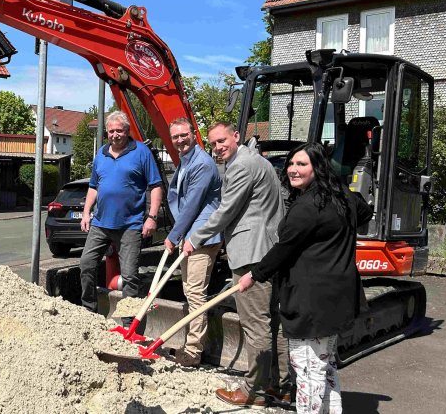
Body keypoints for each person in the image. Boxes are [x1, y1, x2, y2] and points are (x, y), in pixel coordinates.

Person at [238, 142, 371, 414]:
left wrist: (254, 274)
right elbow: (365, 211)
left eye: (301, 164)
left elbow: (283, 249)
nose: (292, 170)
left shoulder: (307, 207)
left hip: (312, 302)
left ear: (317, 167)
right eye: (291, 164)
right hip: (339, 296)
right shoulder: (343, 196)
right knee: (325, 365)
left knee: (308, 371)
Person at [183, 122, 289, 408]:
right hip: (269, 249)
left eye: (222, 140)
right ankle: (281, 386)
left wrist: (195, 238)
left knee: (256, 325)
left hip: (252, 254)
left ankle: (253, 391)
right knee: (273, 323)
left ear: (236, 136)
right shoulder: (260, 162)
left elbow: (226, 210)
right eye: (213, 143)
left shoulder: (242, 165)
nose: (218, 147)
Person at [79, 111, 162, 317]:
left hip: (130, 225)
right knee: (86, 265)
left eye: (119, 130)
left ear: (127, 131)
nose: (115, 134)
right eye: (111, 131)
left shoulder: (142, 152)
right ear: (107, 132)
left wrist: (152, 217)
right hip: (100, 223)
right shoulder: (102, 153)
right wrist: (86, 212)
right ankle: (88, 312)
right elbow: (93, 187)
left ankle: (128, 322)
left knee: (130, 276)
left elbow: (156, 186)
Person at [163, 118, 222, 368]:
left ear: (193, 134)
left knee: (195, 293)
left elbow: (193, 205)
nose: (179, 140)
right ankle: (194, 344)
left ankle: (194, 351)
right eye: (175, 137)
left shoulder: (203, 164)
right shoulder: (185, 162)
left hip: (202, 237)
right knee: (189, 290)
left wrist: (174, 236)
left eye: (183, 135)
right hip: (190, 236)